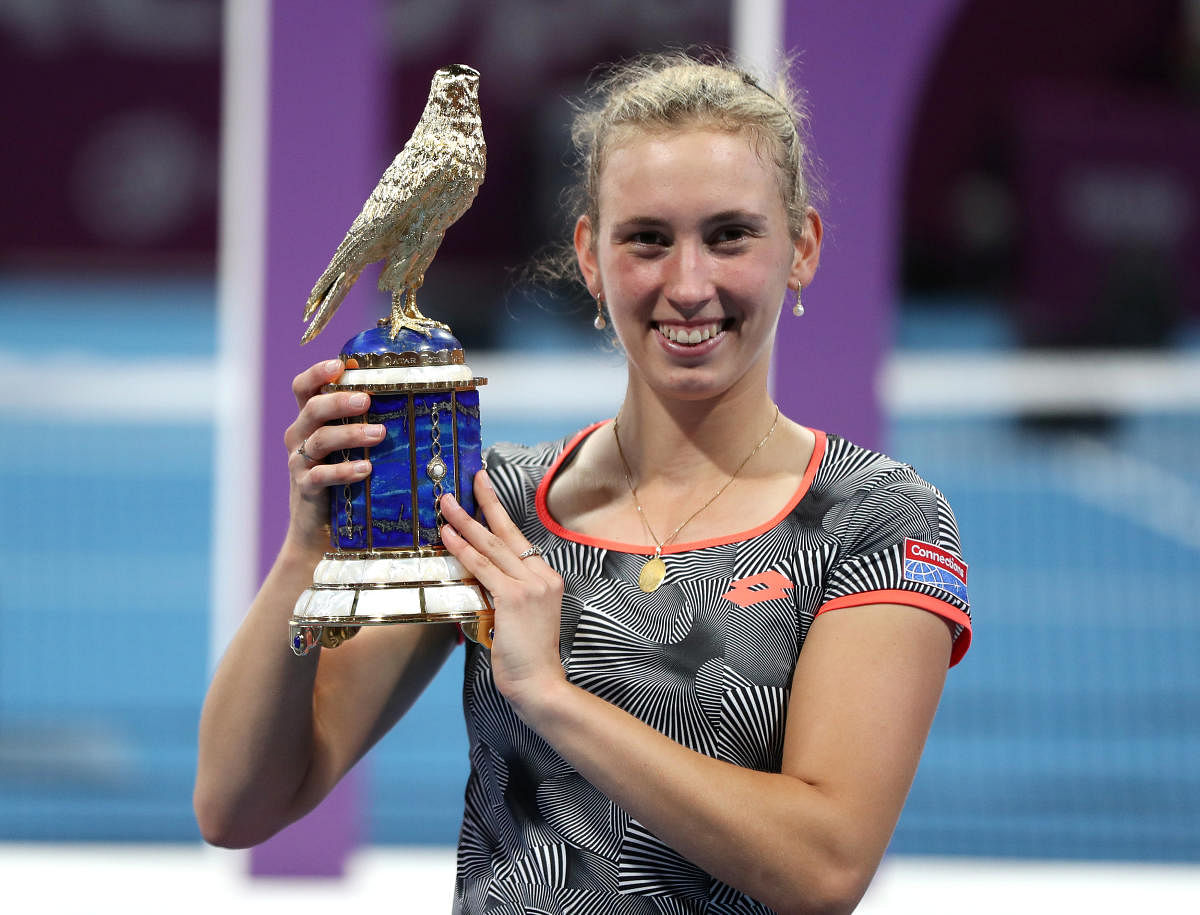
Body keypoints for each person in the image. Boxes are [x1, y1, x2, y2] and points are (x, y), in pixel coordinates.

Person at [195, 52, 971, 915]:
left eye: (729, 235)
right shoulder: (495, 510)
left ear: (802, 249)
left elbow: (822, 868)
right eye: (646, 239)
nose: (687, 284)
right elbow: (237, 803)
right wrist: (311, 549)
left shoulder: (878, 521)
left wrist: (550, 695)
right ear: (591, 260)